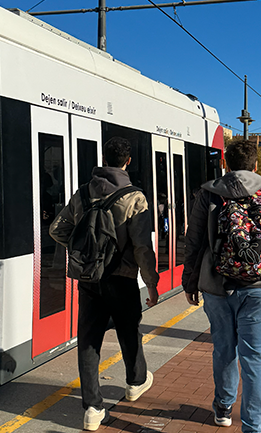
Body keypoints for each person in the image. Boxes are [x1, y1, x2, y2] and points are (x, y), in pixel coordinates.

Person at [182, 140, 261, 433]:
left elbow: (194, 242)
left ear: (226, 165)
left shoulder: (208, 194)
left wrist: (190, 282)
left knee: (223, 350)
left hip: (216, 285)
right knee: (256, 359)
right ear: (256, 165)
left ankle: (223, 407)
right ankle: (253, 427)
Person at [50, 137, 160, 431]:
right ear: (128, 161)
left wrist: (83, 250)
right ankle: (135, 381)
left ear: (105, 159)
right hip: (122, 278)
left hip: (89, 279)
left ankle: (92, 408)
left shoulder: (83, 193)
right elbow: (142, 247)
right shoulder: (135, 197)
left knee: (89, 339)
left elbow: (57, 229)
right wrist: (151, 283)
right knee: (129, 329)